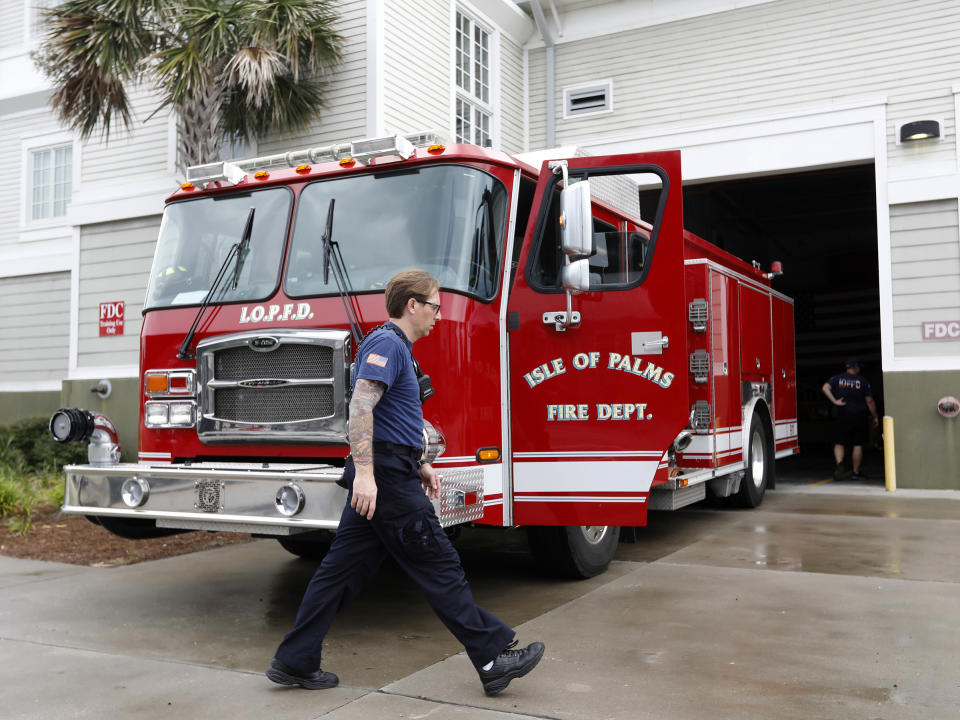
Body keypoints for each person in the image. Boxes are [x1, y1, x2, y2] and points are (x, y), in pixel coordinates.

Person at [266, 269, 544, 696]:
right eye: (434, 305)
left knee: (340, 574)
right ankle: (491, 659)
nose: (439, 314)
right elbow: (360, 409)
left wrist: (419, 462)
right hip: (385, 481)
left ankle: (295, 659)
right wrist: (366, 475)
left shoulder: (398, 349)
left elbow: (394, 416)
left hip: (394, 471)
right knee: (439, 565)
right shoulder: (386, 345)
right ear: (412, 305)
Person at [822, 358, 879, 481]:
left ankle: (839, 464)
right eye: (859, 367)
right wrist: (875, 416)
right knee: (857, 445)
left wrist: (835, 401)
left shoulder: (837, 378)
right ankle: (855, 472)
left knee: (839, 442)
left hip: (843, 415)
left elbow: (825, 388)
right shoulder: (862, 381)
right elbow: (869, 401)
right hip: (859, 416)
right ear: (856, 367)